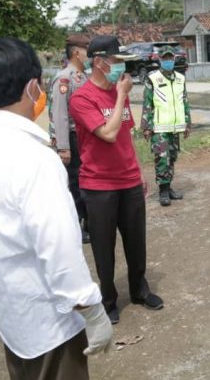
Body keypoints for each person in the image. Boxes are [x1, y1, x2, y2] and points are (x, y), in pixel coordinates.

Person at [0, 37, 113, 379]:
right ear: (32, 87)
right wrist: (91, 308)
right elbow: (56, 244)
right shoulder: (34, 156)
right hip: (49, 318)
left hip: (10, 304)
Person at [69, 35, 163, 324]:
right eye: (115, 62)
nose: (121, 69)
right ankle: (108, 300)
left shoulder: (115, 92)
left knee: (136, 242)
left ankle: (139, 289)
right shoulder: (81, 98)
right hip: (99, 186)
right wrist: (122, 95)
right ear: (98, 62)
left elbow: (124, 136)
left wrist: (138, 171)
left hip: (128, 181)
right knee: (103, 246)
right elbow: (107, 134)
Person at [49, 34, 91, 243]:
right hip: (72, 138)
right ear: (76, 52)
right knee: (75, 184)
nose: (89, 54)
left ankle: (90, 222)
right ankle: (77, 225)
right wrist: (64, 147)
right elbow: (60, 115)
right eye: (86, 50)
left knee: (88, 180)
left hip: (86, 137)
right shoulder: (64, 79)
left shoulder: (84, 76)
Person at [141, 47, 191, 207]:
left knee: (172, 157)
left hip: (175, 126)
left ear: (174, 59)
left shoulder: (180, 79)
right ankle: (163, 190)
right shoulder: (152, 78)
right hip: (159, 127)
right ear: (159, 59)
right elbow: (147, 103)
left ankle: (168, 188)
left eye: (170, 58)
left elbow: (185, 101)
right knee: (162, 159)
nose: (168, 60)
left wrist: (187, 123)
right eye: (165, 58)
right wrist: (146, 126)